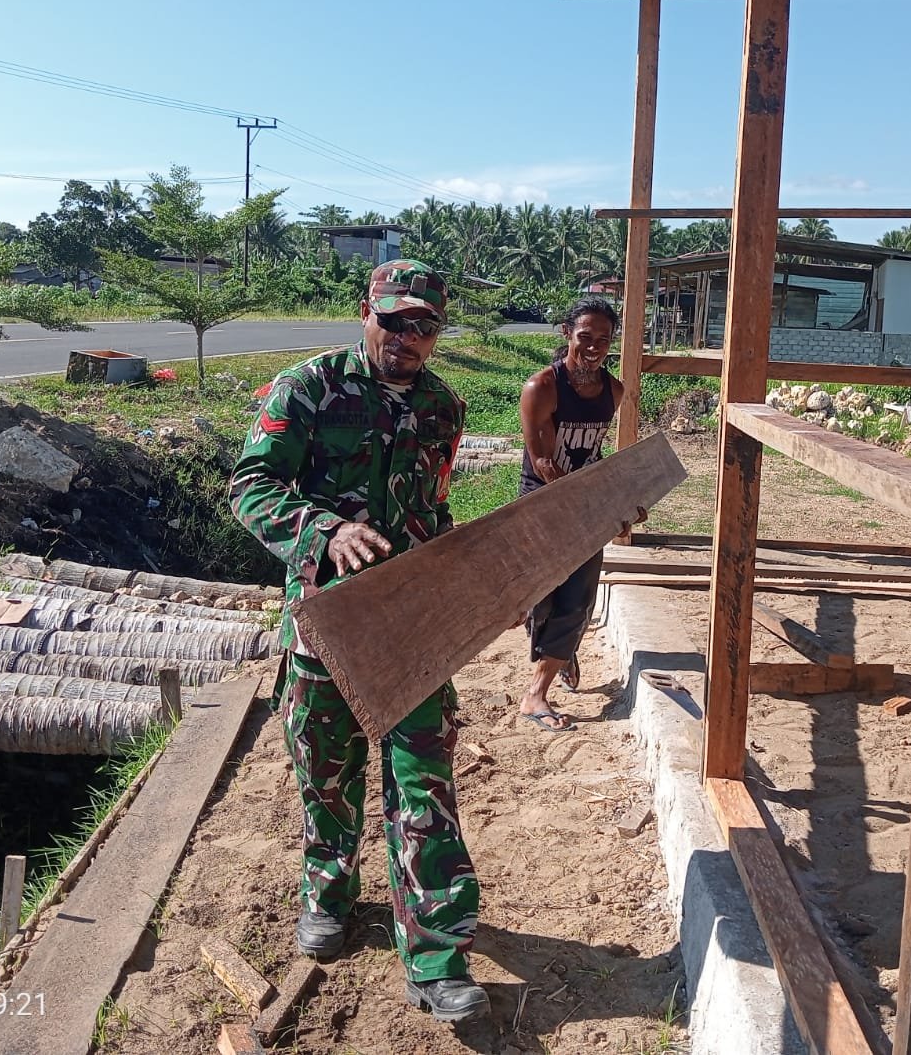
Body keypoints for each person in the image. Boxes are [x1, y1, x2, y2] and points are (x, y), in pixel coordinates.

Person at [230, 259, 488, 1024]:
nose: (407, 337)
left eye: (424, 327)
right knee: (326, 775)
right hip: (325, 624)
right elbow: (249, 486)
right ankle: (328, 892)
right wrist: (324, 531)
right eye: (394, 320)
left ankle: (437, 958)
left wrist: (467, 585)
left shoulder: (443, 408)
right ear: (366, 313)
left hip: (410, 630)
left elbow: (434, 509)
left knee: (424, 785)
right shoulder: (307, 388)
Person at [515, 296, 642, 733]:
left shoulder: (614, 392)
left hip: (585, 505)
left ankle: (536, 694)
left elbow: (595, 454)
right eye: (585, 337)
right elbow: (544, 463)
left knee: (578, 597)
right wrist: (585, 504)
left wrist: (616, 502)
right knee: (542, 598)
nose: (593, 347)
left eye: (603, 340)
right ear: (567, 333)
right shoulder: (542, 388)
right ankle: (561, 650)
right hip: (543, 502)